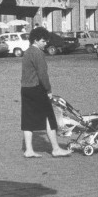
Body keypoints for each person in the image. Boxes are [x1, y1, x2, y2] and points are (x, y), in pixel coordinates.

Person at [20, 26, 71, 158]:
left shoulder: (27, 52)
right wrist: (48, 90)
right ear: (36, 40)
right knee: (49, 118)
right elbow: (43, 75)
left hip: (25, 89)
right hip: (37, 88)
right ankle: (55, 149)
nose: (46, 43)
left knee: (27, 119)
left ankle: (28, 150)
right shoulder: (38, 53)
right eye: (43, 41)